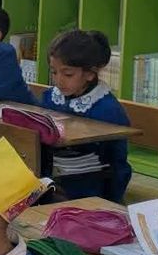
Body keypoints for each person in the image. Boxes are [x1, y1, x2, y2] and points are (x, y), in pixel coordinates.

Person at [39, 29, 131, 201]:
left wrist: (110, 202)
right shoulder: (50, 97)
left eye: (68, 74)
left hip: (87, 190)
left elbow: (118, 163)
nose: (58, 80)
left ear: (90, 73)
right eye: (54, 72)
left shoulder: (107, 109)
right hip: (48, 181)